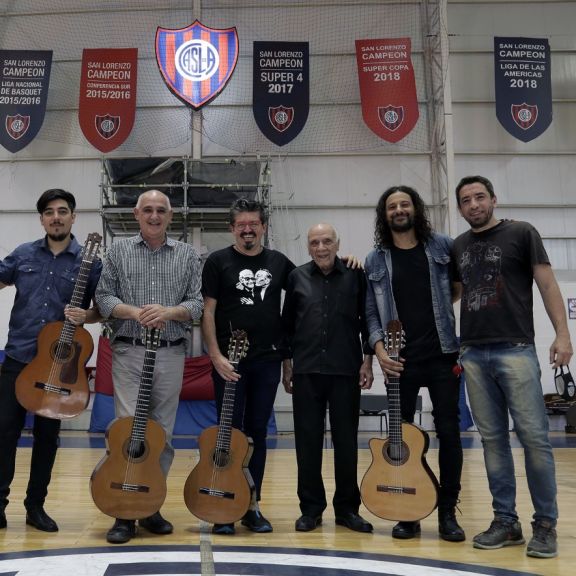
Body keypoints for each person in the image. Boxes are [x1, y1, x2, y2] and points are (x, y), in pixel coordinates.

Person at [453, 175, 573, 559]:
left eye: (479, 197)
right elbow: (452, 294)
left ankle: (546, 525)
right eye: (466, 200)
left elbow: (548, 284)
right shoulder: (458, 246)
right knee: (492, 443)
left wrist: (562, 334)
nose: (473, 204)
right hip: (472, 354)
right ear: (460, 208)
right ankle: (506, 521)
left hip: (516, 351)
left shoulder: (522, 232)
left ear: (493, 199)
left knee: (535, 441)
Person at [95, 189, 203, 544]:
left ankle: (151, 504)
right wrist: (136, 312)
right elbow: (104, 297)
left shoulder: (187, 255)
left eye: (161, 211)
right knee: (129, 431)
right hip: (129, 351)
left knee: (163, 436)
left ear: (170, 217)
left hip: (171, 353)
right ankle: (124, 512)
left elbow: (197, 304)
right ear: (136, 214)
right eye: (148, 210)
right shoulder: (117, 252)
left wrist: (169, 312)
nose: (154, 216)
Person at [364, 185, 465, 542]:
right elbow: (371, 315)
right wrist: (379, 353)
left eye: (405, 204)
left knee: (449, 434)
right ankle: (408, 512)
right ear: (385, 214)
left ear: (415, 209)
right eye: (392, 205)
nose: (399, 210)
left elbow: (455, 289)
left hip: (442, 356)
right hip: (398, 363)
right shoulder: (375, 259)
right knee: (401, 438)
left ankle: (448, 511)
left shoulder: (441, 245)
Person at [0, 188, 102, 532]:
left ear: (73, 217)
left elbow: (103, 308)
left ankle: (35, 507)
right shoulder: (23, 254)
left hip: (60, 366)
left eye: (62, 211)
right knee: (4, 433)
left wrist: (85, 315)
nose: (55, 217)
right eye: (49, 212)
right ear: (42, 218)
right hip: (18, 357)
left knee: (47, 438)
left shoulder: (90, 262)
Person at [201, 198, 295, 535]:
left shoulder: (280, 262)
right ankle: (224, 503)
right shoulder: (217, 261)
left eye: (253, 223)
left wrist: (288, 362)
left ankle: (252, 504)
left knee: (258, 433)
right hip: (229, 362)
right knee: (228, 433)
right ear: (231, 228)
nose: (247, 229)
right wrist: (215, 355)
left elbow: (307, 293)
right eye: (241, 224)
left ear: (264, 226)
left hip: (267, 361)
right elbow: (207, 311)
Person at [282, 223, 374, 533]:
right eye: (315, 242)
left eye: (327, 241)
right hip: (306, 371)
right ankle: (310, 509)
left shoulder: (355, 274)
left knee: (346, 443)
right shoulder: (296, 278)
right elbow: (287, 328)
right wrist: (287, 365)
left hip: (345, 370)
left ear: (337, 244)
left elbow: (367, 320)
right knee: (307, 444)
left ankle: (347, 509)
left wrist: (368, 362)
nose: (321, 247)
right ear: (308, 247)